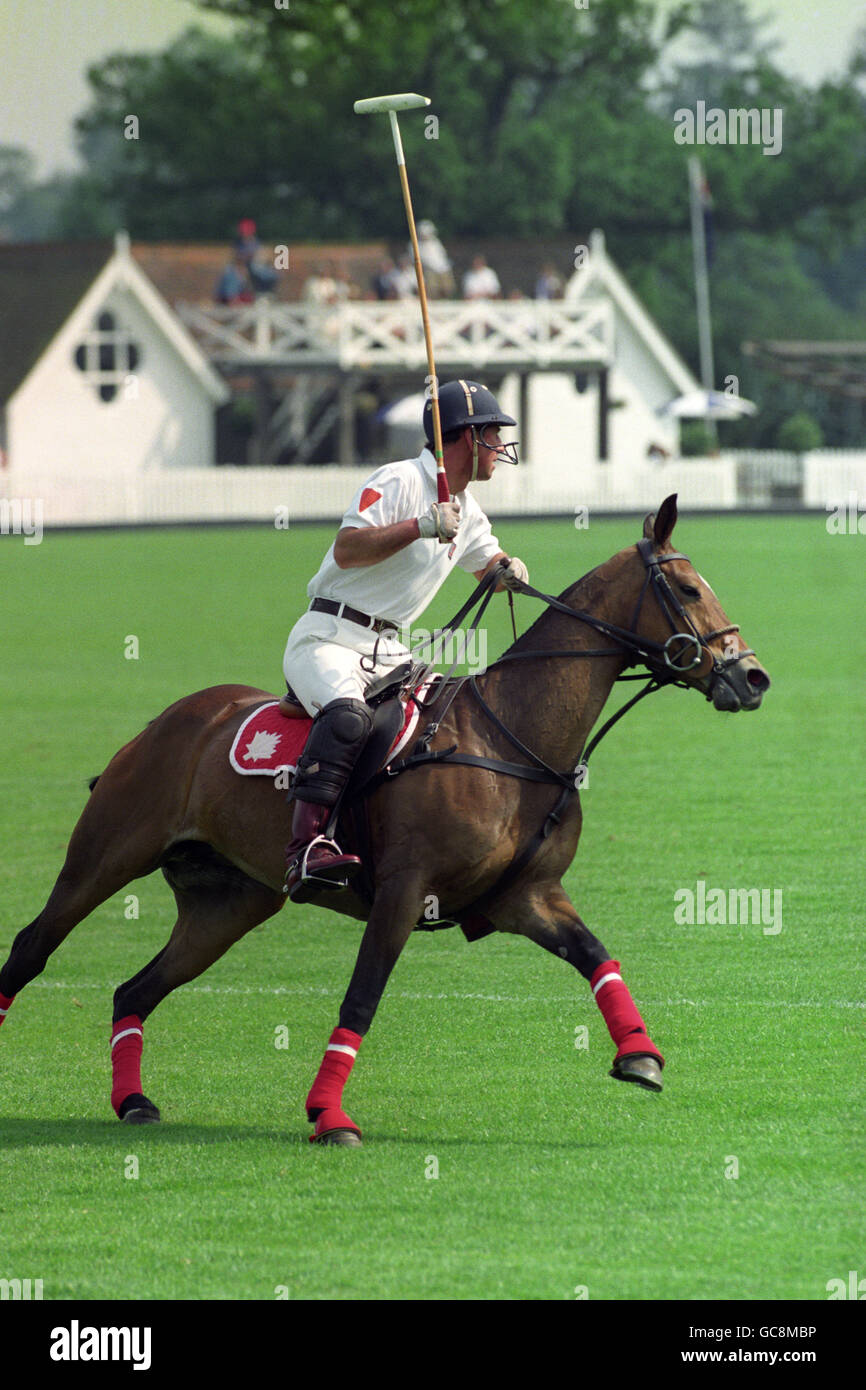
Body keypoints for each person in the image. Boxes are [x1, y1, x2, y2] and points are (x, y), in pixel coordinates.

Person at [281, 379, 528, 902]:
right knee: (348, 717)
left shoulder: (467, 508)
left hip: (388, 651)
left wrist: (506, 571)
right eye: (492, 434)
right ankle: (306, 848)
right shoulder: (398, 480)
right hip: (328, 635)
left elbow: (487, 561)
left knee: (445, 718)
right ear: (464, 438)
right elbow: (347, 549)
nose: (501, 447)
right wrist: (418, 526)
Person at [415, 221, 455, 298]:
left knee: (448, 288)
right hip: (429, 271)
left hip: (442, 269)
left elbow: (442, 256)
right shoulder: (416, 245)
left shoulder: (435, 243)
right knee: (433, 288)